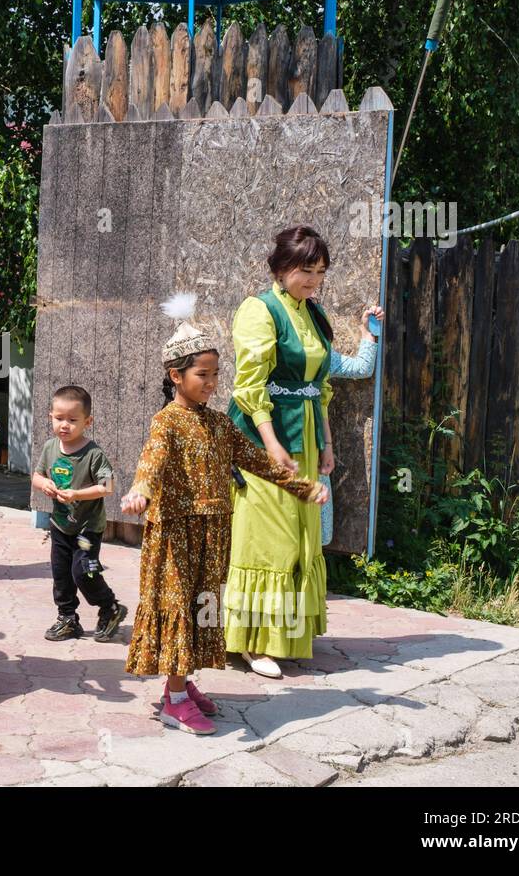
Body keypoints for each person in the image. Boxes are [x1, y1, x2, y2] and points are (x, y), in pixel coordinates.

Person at [121, 313, 326, 734]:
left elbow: (255, 461)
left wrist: (302, 488)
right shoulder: (167, 423)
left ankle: (183, 682)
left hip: (213, 533)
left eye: (216, 374)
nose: (212, 382)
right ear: (176, 376)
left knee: (204, 609)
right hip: (176, 535)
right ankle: (174, 700)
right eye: (203, 374)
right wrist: (139, 490)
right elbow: (151, 462)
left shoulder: (219, 423)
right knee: (180, 609)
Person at [224, 225, 337, 678]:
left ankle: (286, 633)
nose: (314, 280)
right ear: (282, 267)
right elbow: (249, 386)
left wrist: (326, 444)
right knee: (267, 537)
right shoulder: (259, 310)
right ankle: (253, 642)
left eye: (321, 272)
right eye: (306, 271)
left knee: (299, 535)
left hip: (304, 435)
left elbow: (320, 387)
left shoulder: (313, 313)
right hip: (261, 438)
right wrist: (270, 446)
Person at [31, 384, 127, 642]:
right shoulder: (51, 448)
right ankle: (68, 618)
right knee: (61, 573)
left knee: (86, 570)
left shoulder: (92, 453)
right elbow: (37, 476)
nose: (65, 425)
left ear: (88, 421)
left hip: (88, 530)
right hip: (60, 526)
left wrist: (76, 494)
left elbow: (108, 486)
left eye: (73, 420)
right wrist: (45, 485)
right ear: (50, 416)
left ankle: (110, 607)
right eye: (59, 418)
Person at [318, 305, 383, 545]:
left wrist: (367, 331)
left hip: (316, 441)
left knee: (320, 533)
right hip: (287, 443)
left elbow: (362, 368)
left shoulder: (321, 354)